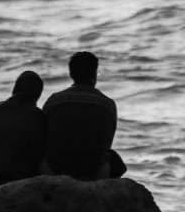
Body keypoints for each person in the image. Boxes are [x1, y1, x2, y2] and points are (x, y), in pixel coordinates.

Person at [42, 51, 126, 181]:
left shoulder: (54, 100)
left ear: (71, 74)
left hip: (56, 168)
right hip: (94, 171)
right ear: (94, 74)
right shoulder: (107, 104)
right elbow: (107, 141)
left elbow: (42, 135)